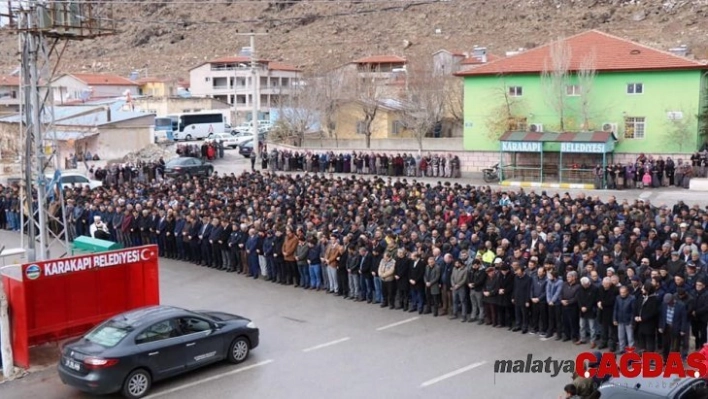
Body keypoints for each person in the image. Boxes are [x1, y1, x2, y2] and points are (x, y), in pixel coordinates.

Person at [658, 293, 690, 361]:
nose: (667, 303)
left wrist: (682, 330)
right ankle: (665, 359)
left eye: (669, 302)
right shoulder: (663, 304)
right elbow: (661, 316)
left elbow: (684, 319)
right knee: (665, 345)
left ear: (673, 300)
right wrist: (660, 326)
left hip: (676, 328)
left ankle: (675, 360)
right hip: (666, 327)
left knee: (675, 346)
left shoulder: (681, 305)